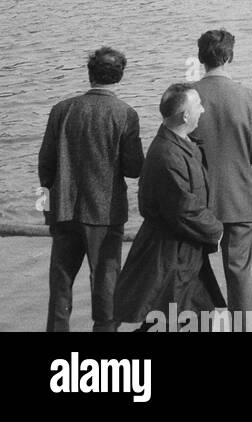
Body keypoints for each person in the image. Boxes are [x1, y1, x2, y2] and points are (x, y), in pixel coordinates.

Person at [38, 46, 144, 332]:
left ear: (89, 73)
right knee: (107, 285)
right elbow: (135, 169)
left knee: (60, 287)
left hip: (63, 210)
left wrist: (46, 210)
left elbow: (44, 165)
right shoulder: (125, 114)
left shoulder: (61, 109)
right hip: (105, 214)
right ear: (119, 76)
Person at [114, 84, 225, 328]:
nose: (203, 110)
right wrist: (217, 230)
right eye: (198, 106)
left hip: (183, 250)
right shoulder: (167, 155)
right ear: (185, 115)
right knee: (171, 317)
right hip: (171, 252)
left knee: (187, 315)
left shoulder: (180, 142)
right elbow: (184, 210)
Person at [191, 29, 252, 323]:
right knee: (239, 275)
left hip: (196, 202)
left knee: (191, 271)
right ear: (230, 57)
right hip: (239, 197)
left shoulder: (185, 96)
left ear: (201, 58)